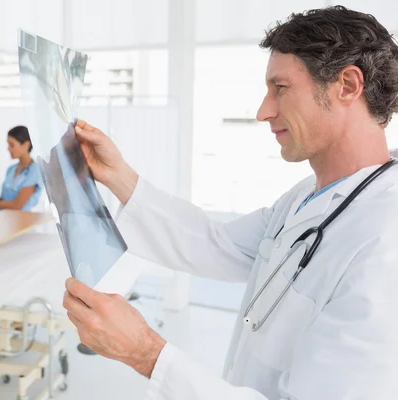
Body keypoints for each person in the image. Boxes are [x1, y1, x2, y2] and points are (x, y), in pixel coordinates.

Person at [63, 6, 398, 400]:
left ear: (346, 85)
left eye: (281, 88)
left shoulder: (384, 243)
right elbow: (217, 244)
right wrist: (117, 176)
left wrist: (146, 355)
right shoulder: (309, 195)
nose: (263, 111)